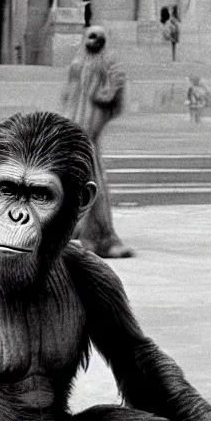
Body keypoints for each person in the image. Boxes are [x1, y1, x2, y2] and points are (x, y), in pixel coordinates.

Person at [61, 25, 134, 259]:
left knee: (94, 186)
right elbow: (69, 98)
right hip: (73, 134)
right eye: (92, 36)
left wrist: (111, 92)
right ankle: (75, 234)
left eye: (100, 37)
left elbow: (114, 96)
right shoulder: (77, 64)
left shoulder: (106, 64)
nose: (96, 40)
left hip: (88, 136)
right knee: (72, 184)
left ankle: (99, 238)